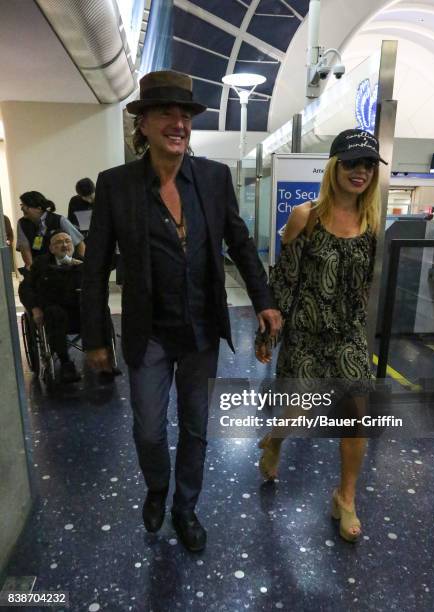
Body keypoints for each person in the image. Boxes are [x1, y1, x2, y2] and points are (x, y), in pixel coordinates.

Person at [81, 70, 281, 552]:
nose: (178, 123)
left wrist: (265, 301)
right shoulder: (117, 185)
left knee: (195, 428)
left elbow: (240, 242)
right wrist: (94, 339)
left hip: (200, 332)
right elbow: (94, 268)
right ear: (143, 124)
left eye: (185, 115)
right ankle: (156, 488)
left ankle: (185, 507)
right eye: (166, 113)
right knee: (149, 429)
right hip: (148, 334)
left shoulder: (212, 178)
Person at [257, 129, 384, 543]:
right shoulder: (305, 216)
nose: (360, 171)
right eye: (351, 163)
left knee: (355, 419)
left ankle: (345, 498)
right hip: (306, 334)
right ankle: (274, 441)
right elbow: (285, 283)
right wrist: (268, 335)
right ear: (334, 167)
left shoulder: (373, 223)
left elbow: (365, 285)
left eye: (367, 164)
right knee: (298, 412)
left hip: (348, 334)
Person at [20, 231, 84, 383]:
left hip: (80, 310)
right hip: (53, 313)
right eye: (59, 243)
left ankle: (106, 360)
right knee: (54, 313)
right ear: (51, 249)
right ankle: (65, 363)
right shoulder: (41, 264)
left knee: (102, 311)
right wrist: (34, 308)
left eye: (67, 241)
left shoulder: (82, 263)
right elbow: (26, 288)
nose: (64, 245)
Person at [16, 191, 85, 269]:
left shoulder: (60, 220)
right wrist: (31, 269)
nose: (22, 208)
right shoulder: (22, 223)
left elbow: (79, 243)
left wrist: (80, 265)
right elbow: (24, 248)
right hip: (39, 267)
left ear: (38, 208)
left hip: (64, 266)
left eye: (25, 206)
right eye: (22, 205)